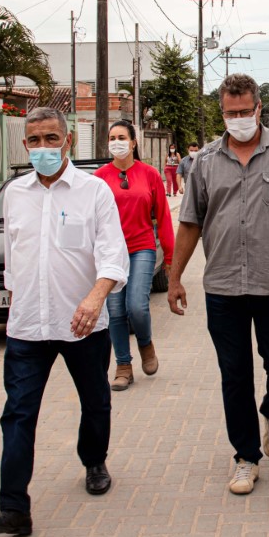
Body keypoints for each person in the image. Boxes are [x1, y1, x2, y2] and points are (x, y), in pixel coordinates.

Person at [169, 73, 269, 495]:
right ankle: (245, 455)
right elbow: (190, 222)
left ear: (259, 109)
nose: (237, 119)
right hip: (222, 288)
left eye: (244, 111)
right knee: (233, 374)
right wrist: (175, 276)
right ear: (221, 112)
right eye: (229, 113)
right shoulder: (204, 161)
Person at [0, 107, 129, 537]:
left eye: (51, 138)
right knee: (18, 414)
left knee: (95, 402)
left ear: (68, 141)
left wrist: (96, 297)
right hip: (27, 326)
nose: (43, 147)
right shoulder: (16, 193)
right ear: (25, 145)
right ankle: (14, 508)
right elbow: (13, 252)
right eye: (35, 140)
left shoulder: (93, 192)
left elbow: (113, 256)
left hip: (82, 324)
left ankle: (93, 459)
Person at [94, 120, 175, 391]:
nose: (116, 142)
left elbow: (163, 217)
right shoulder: (99, 178)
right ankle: (123, 365)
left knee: (137, 307)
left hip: (142, 247)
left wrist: (171, 259)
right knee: (115, 311)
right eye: (112, 137)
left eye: (122, 137)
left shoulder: (149, 174)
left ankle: (146, 344)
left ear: (133, 143)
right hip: (110, 253)